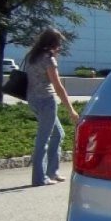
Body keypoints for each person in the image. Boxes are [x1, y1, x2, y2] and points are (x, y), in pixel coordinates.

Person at [24, 28, 79, 186]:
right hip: (46, 102)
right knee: (43, 140)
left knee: (58, 134)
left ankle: (52, 172)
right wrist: (71, 110)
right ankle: (40, 178)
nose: (60, 47)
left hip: (32, 100)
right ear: (52, 43)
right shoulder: (48, 60)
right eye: (58, 43)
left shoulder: (31, 57)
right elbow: (58, 87)